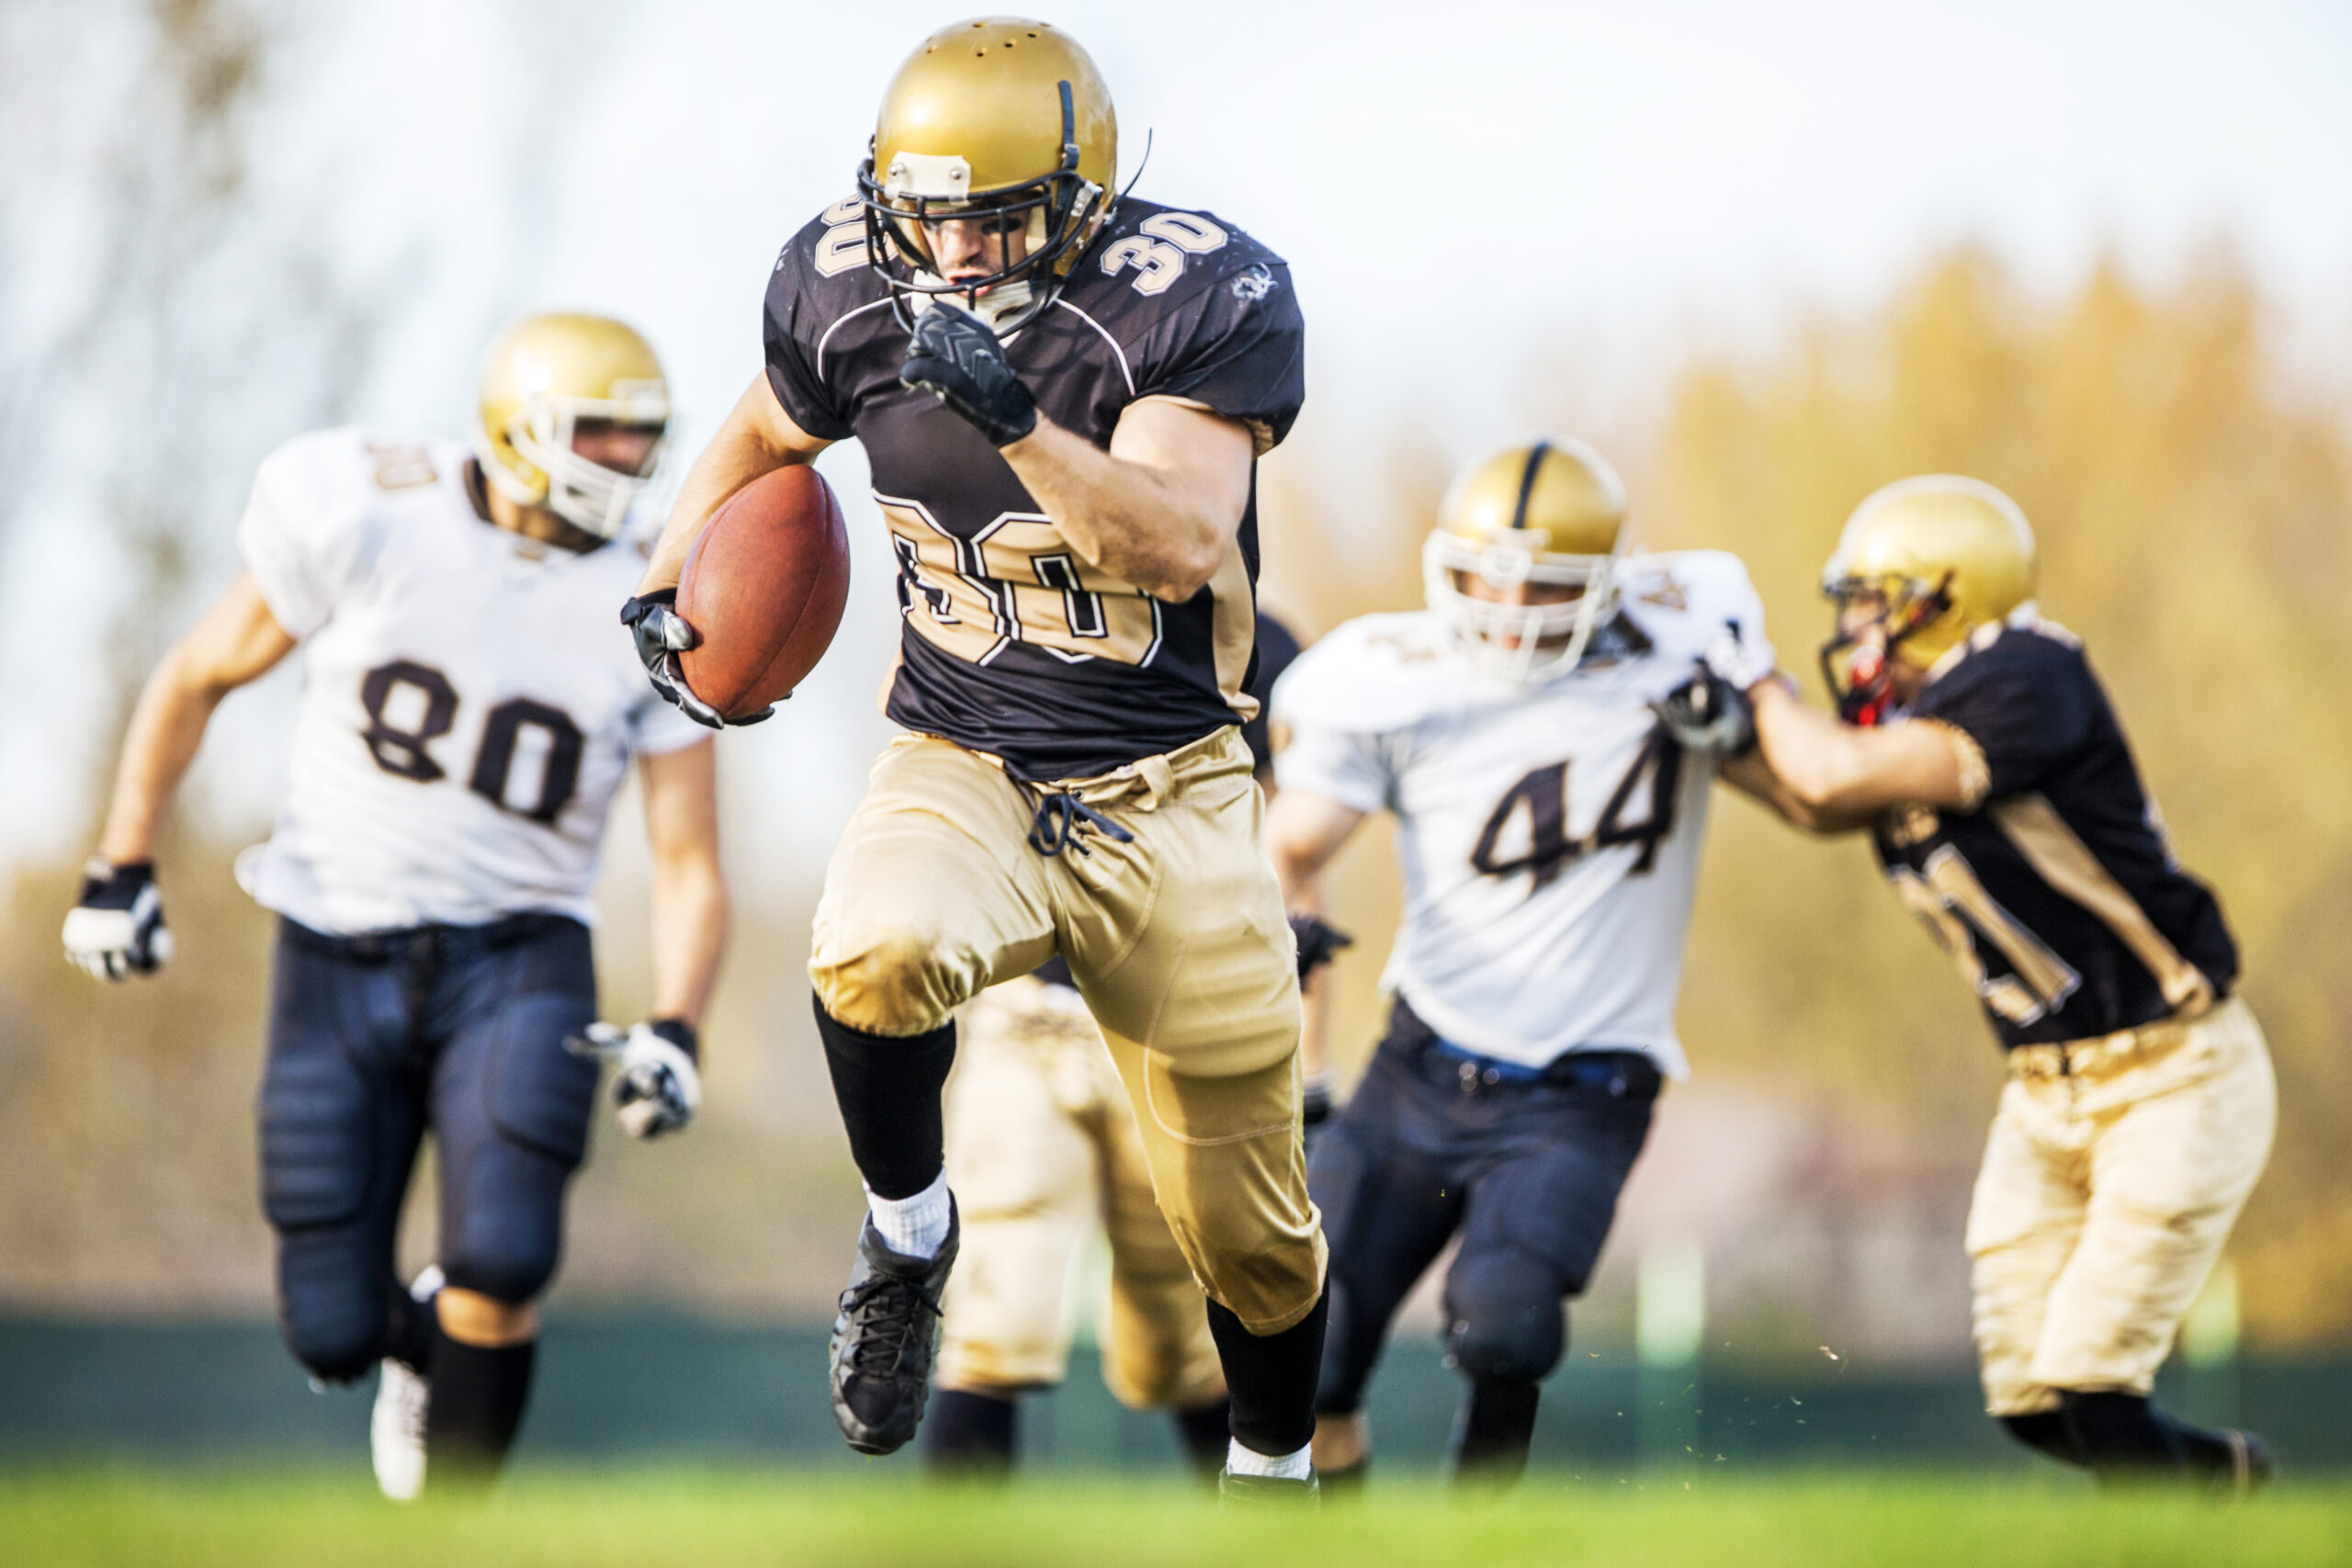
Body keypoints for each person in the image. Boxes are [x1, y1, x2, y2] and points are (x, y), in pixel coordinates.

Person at [621, 17, 1326, 1498]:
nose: (952, 246)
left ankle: (1275, 1476)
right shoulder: (841, 282)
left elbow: (1182, 540)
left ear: (1080, 199)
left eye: (993, 213)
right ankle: (907, 1230)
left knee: (1251, 1240)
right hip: (967, 745)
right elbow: (761, 438)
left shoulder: (1196, 294)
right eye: (924, 210)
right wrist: (675, 572)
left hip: (1174, 783)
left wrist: (1012, 423)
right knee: (869, 945)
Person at [62, 313, 727, 1499]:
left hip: (524, 950)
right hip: (336, 939)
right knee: (327, 1328)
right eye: (604, 436)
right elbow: (197, 672)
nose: (630, 465)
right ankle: (415, 1345)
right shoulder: (365, 507)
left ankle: (451, 1527)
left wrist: (678, 1022)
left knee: (507, 1253)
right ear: (521, 433)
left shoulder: (658, 596)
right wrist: (122, 861)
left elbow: (687, 856)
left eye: (645, 440)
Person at [1264, 437, 1782, 1487]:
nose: (1505, 609)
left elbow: (1800, 777)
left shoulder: (1678, 644)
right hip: (1418, 1069)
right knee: (1302, 1354)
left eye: (1538, 585)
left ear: (1602, 583)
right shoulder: (1392, 679)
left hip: (1582, 1087)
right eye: (1483, 578)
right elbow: (1293, 850)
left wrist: (1740, 720)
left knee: (1504, 1327)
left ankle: (1481, 1538)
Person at [1740, 474, 2273, 1493]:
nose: (1857, 629)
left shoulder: (2028, 673)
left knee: (2089, 1383)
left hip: (2171, 1071)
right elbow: (1810, 801)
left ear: (1946, 596)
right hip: (2043, 1093)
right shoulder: (1923, 722)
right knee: (2030, 1400)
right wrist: (1711, 726)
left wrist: (1756, 687)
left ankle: (2206, 1518)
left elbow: (1829, 779)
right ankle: (2228, 1483)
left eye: (1870, 602)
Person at [924, 612, 1304, 1483]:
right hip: (1026, 1012)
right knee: (993, 1312)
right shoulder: (1007, 603)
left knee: (1186, 1339)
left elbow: (1282, 834)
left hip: (1170, 1018)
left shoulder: (1262, 651)